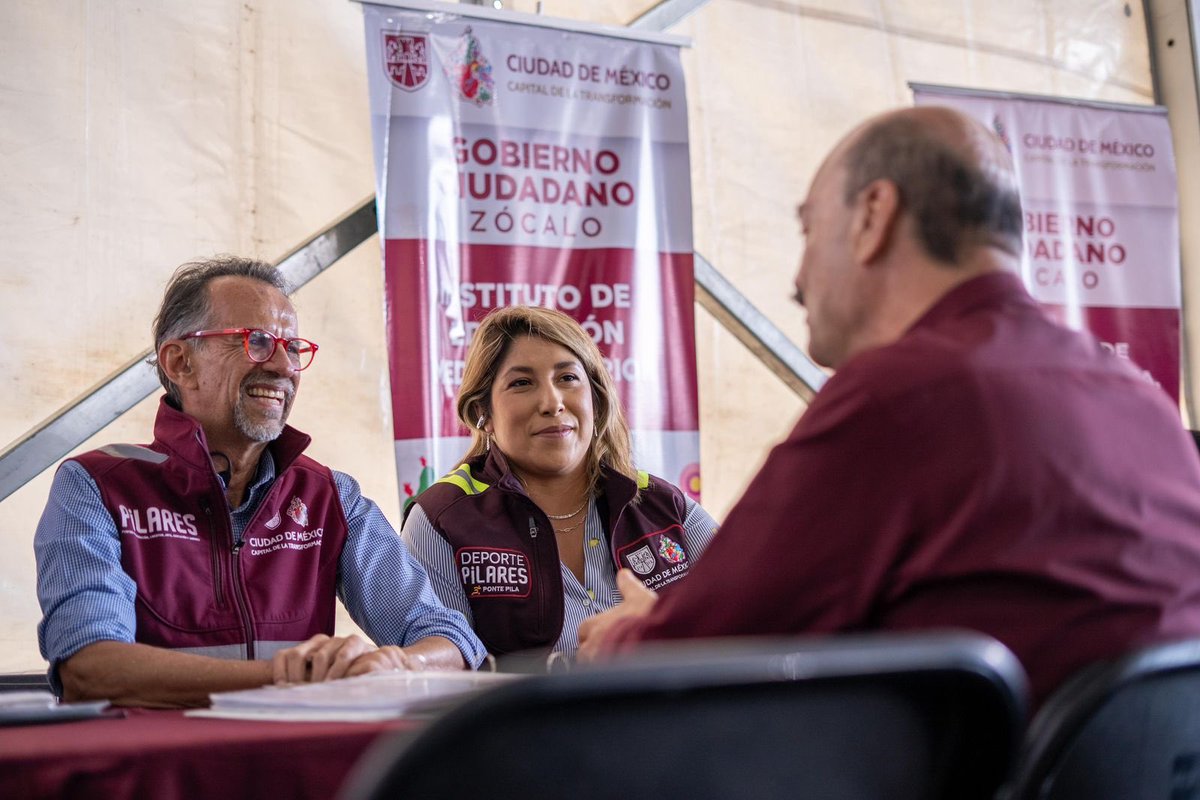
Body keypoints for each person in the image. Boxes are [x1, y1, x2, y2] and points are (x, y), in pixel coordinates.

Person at [577, 106, 1200, 705]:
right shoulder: (1142, 402)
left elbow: (692, 661)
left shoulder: (901, 399)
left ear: (873, 216)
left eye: (808, 228)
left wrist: (619, 639)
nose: (796, 277)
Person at [34, 257, 486, 707]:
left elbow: (450, 638)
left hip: (297, 770)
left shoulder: (330, 495)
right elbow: (89, 667)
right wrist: (286, 678)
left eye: (292, 348)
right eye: (256, 341)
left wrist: (397, 666)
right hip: (161, 773)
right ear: (180, 362)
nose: (284, 367)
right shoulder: (97, 485)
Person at [401, 305, 718, 664]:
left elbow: (750, 611)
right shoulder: (441, 519)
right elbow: (447, 671)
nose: (552, 403)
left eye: (567, 378)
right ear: (482, 413)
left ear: (595, 400)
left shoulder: (661, 504)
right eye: (522, 383)